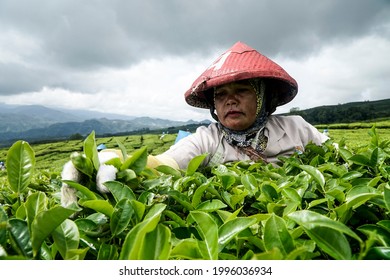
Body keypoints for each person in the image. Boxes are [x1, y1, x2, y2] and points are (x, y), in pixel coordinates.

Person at [154, 41, 328, 169]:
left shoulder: (295, 129)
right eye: (221, 95)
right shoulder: (208, 139)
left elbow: (335, 155)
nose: (230, 100)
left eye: (242, 90)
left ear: (262, 97)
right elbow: (166, 164)